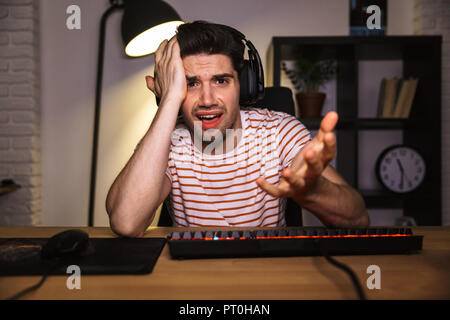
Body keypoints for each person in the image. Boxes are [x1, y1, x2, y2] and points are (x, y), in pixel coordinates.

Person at [106, 21, 369, 237]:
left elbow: (358, 219)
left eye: (221, 80)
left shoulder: (280, 132)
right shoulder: (168, 142)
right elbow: (126, 223)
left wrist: (314, 191)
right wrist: (169, 101)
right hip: (189, 281)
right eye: (191, 84)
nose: (207, 100)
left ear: (243, 83)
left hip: (266, 277)